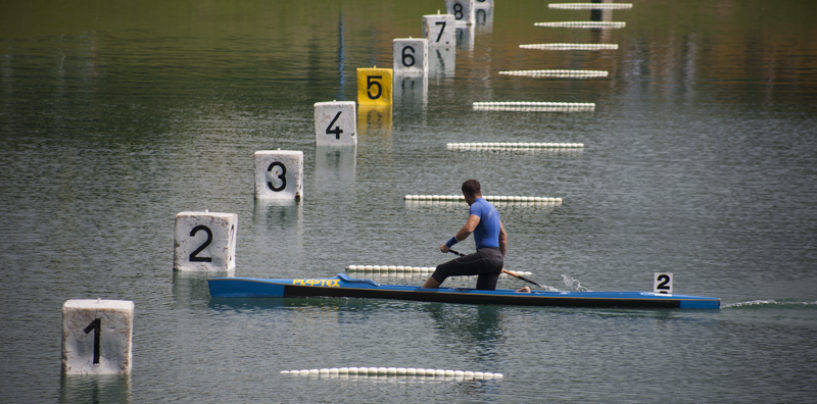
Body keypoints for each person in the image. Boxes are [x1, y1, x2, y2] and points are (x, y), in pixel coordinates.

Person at [423, 179, 521, 291]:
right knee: (484, 296)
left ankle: (421, 294)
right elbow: (503, 236)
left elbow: (468, 229)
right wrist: (500, 261)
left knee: (442, 270)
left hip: (486, 256)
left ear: (466, 194)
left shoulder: (476, 206)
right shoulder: (493, 209)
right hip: (497, 259)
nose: (466, 201)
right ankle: (520, 293)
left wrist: (448, 245)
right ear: (480, 191)